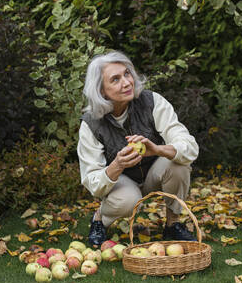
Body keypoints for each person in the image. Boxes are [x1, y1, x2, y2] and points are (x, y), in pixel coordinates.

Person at [77, 51, 199, 246]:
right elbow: (92, 182)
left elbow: (190, 147)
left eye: (127, 74)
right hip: (121, 182)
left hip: (153, 173)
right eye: (115, 79)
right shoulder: (91, 123)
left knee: (179, 164)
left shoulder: (152, 102)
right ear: (101, 91)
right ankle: (100, 219)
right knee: (128, 200)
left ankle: (172, 224)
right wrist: (116, 165)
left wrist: (158, 149)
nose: (126, 82)